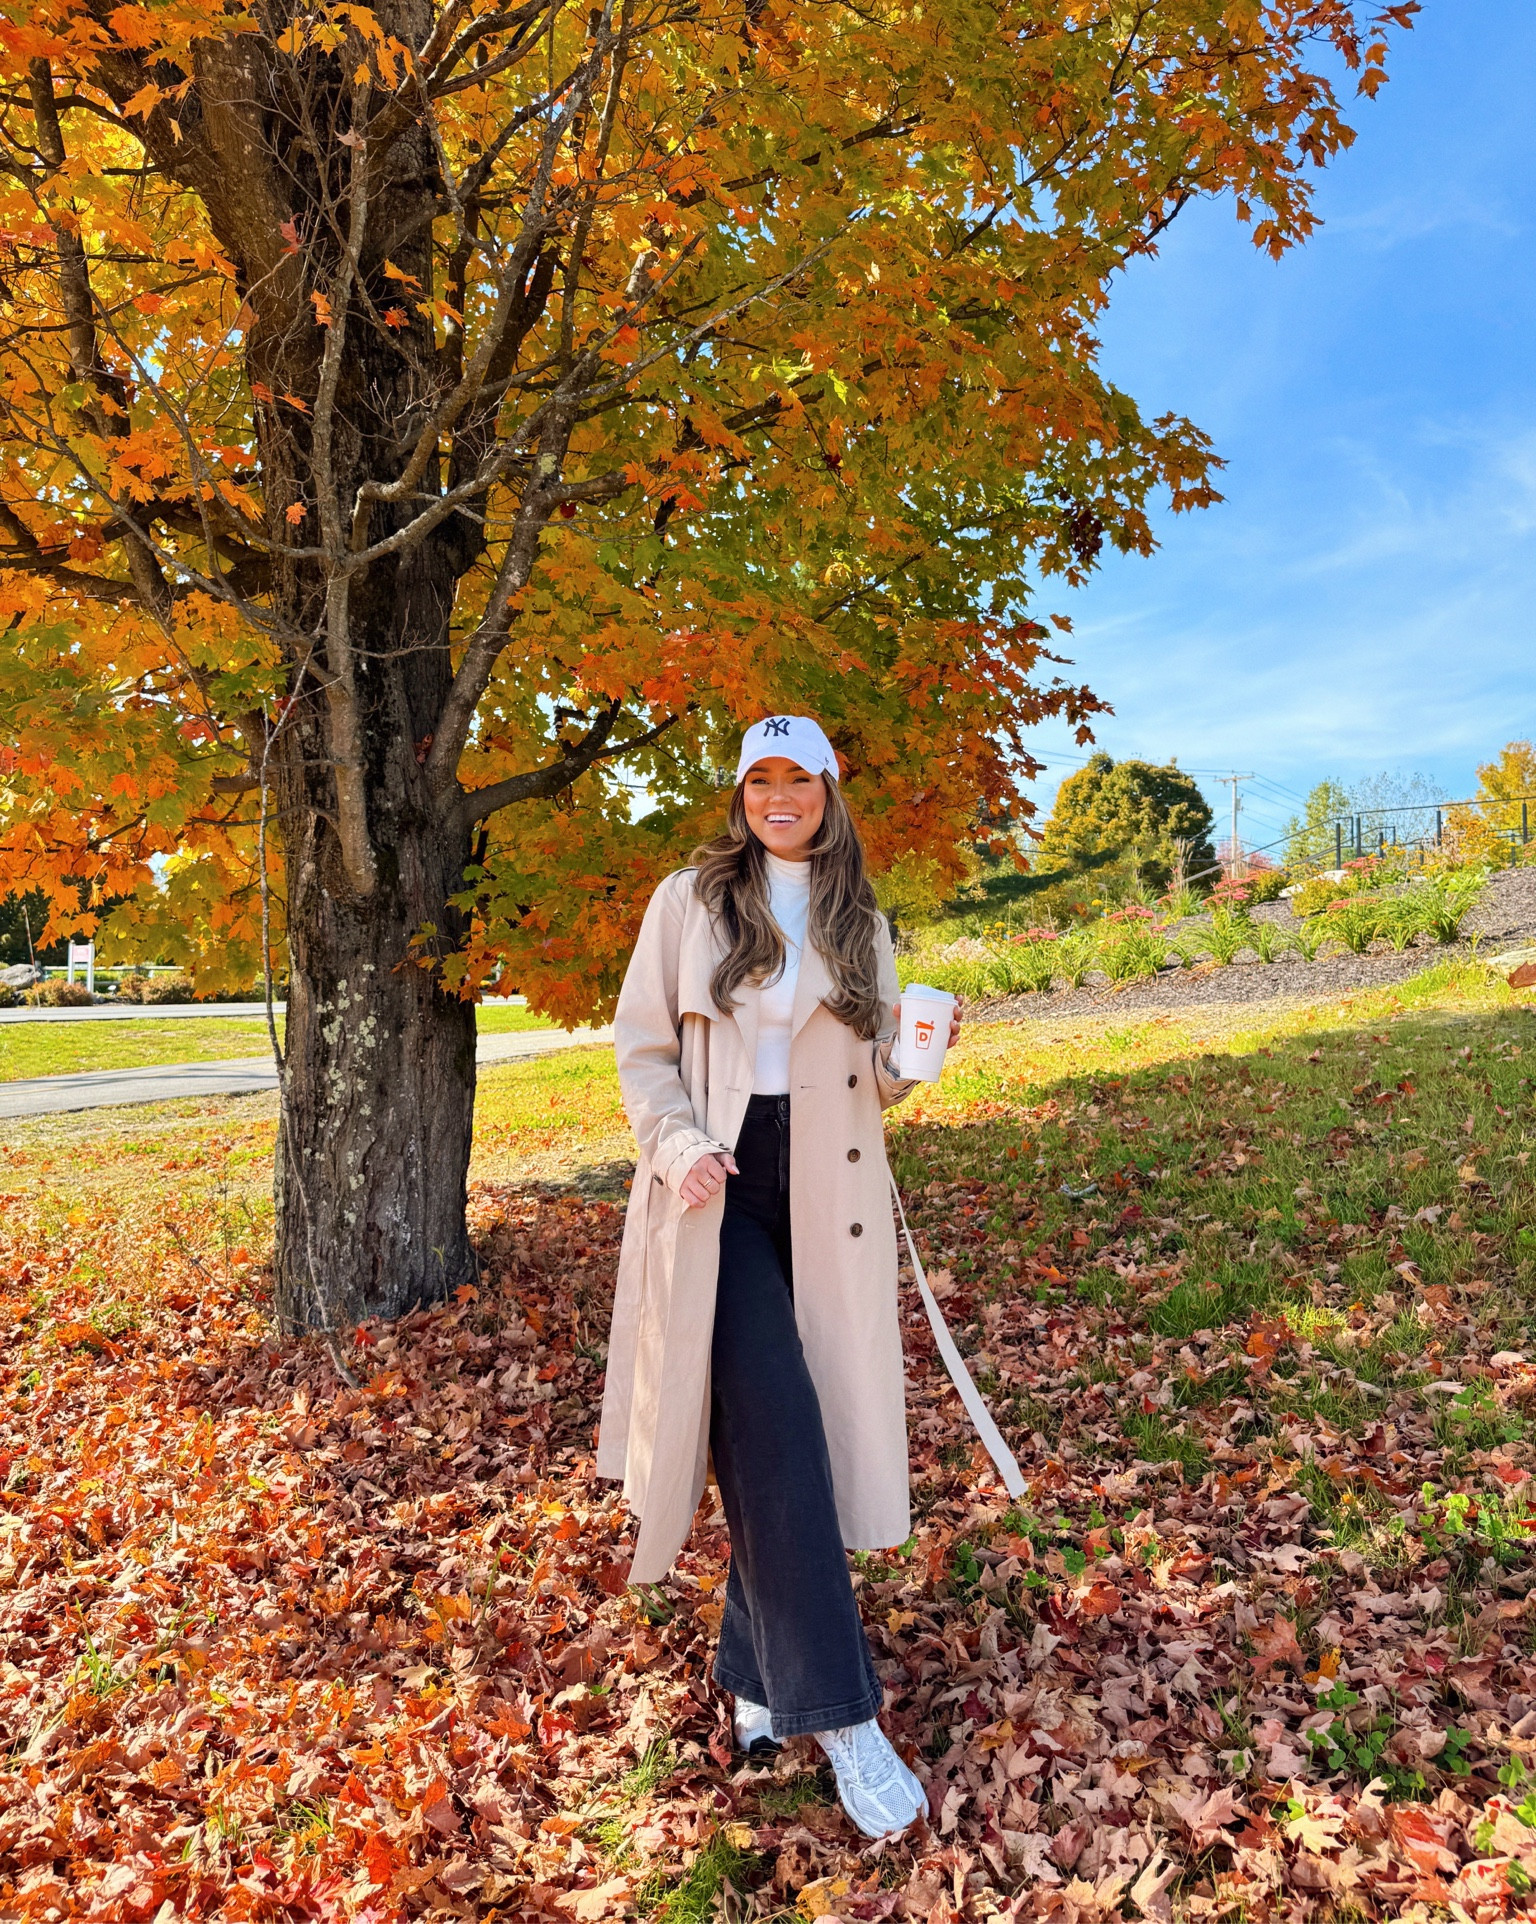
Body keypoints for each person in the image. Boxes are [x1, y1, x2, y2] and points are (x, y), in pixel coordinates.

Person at [597, 715, 962, 1838]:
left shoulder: (864, 920)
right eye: (760, 778)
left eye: (798, 777)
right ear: (742, 794)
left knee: (782, 1433)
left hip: (830, 1191)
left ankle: (756, 1673)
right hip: (718, 1185)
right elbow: (642, 1048)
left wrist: (915, 1061)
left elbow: (881, 1079)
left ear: (828, 790)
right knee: (776, 1424)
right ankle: (845, 1715)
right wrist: (673, 1143)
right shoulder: (689, 900)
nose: (778, 796)